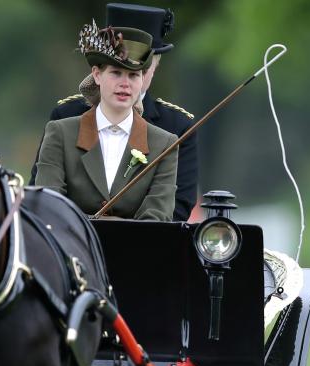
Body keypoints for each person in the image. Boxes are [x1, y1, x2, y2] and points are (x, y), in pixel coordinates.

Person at [32, 3, 198, 222]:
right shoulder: (63, 125)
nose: (125, 84)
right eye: (116, 72)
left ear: (150, 70)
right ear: (97, 74)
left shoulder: (169, 137)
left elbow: (166, 215)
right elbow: (45, 200)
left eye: (134, 74)